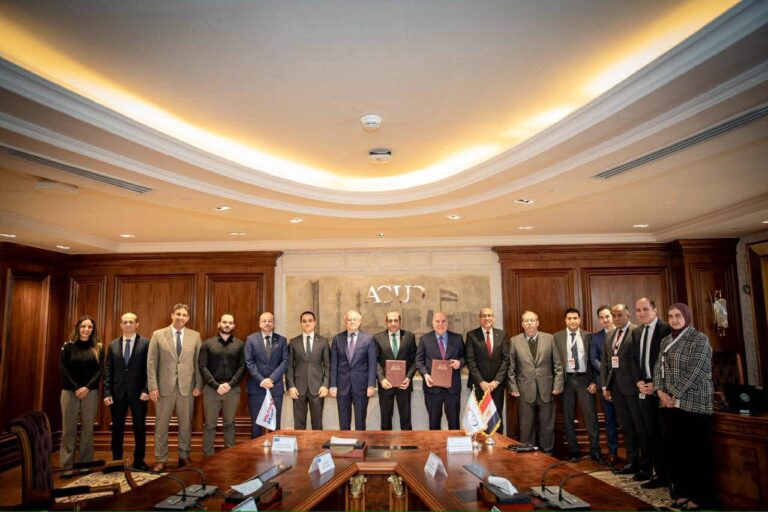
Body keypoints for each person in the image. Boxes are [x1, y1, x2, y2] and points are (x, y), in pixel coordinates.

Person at [654, 303, 713, 511]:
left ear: (686, 316)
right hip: (669, 405)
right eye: (670, 316)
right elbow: (658, 367)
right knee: (676, 452)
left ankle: (699, 496)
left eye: (678, 315)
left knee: (695, 453)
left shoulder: (700, 339)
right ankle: (682, 492)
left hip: (694, 404)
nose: (674, 319)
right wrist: (659, 391)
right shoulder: (666, 340)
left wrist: (672, 393)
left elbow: (696, 371)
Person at [147, 304, 202, 472]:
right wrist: (152, 387)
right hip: (163, 388)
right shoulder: (158, 335)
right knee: (161, 425)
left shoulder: (195, 336)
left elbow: (198, 362)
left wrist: (198, 384)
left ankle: (184, 456)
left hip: (187, 387)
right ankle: (160, 459)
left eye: (184, 315)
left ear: (188, 318)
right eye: (178, 314)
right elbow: (151, 362)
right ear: (172, 315)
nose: (181, 317)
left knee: (186, 424)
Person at [507, 310, 563, 454]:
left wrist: (558, 385)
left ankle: (547, 454)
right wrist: (513, 387)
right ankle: (527, 455)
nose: (530, 323)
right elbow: (511, 367)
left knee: (547, 426)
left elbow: (557, 365)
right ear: (522, 324)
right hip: (524, 390)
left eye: (532, 320)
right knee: (526, 427)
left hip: (547, 390)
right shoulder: (514, 341)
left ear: (537, 323)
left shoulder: (550, 339)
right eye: (526, 321)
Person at [630, 297, 672, 488]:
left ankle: (668, 476)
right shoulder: (637, 332)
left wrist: (657, 383)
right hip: (643, 388)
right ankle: (657, 474)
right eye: (638, 310)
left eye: (646, 309)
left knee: (665, 434)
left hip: (663, 389)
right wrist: (638, 381)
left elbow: (669, 361)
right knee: (650, 433)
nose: (642, 313)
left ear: (655, 310)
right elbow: (633, 360)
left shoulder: (666, 329)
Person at [554, 307, 603, 462]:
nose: (572, 321)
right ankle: (573, 450)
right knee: (568, 417)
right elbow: (554, 361)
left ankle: (595, 450)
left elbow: (594, 360)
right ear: (565, 320)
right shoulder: (557, 337)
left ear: (580, 319)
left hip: (585, 380)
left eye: (575, 318)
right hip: (566, 381)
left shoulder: (589, 336)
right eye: (569, 318)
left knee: (591, 416)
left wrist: (594, 381)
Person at [103, 312, 149, 471]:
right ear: (121, 325)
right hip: (117, 394)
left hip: (139, 394)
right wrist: (107, 392)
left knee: (140, 428)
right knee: (117, 429)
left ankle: (139, 461)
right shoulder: (113, 345)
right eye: (125, 322)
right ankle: (117, 461)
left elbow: (150, 369)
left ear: (137, 324)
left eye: (131, 322)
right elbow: (108, 370)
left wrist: (147, 389)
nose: (128, 324)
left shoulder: (145, 343)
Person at [600, 304, 643, 476]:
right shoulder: (610, 335)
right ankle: (631, 462)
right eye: (614, 315)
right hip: (616, 388)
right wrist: (605, 385)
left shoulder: (636, 331)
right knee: (625, 427)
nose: (616, 318)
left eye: (619, 315)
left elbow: (639, 360)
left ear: (628, 314)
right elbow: (605, 362)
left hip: (633, 388)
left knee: (638, 426)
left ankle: (644, 463)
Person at [59, 315, 104, 475]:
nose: (86, 329)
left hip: (90, 393)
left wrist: (87, 388)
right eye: (83, 326)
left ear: (93, 329)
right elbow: (63, 369)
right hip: (69, 392)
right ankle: (66, 467)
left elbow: (99, 371)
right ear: (78, 327)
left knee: (87, 430)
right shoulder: (68, 346)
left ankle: (85, 464)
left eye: (90, 327)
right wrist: (76, 388)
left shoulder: (98, 347)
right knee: (68, 429)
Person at [199, 313, 245, 456]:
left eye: (230, 323)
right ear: (219, 324)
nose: (227, 325)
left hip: (232, 390)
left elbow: (243, 367)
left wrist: (230, 384)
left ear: (233, 326)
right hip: (211, 390)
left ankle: (229, 456)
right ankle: (208, 456)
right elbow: (202, 366)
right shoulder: (207, 343)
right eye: (224, 322)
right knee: (210, 424)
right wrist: (216, 385)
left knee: (229, 423)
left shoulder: (240, 344)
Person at [415, 311, 465, 430]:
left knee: (454, 423)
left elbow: (464, 357)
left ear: (447, 322)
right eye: (437, 321)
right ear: (433, 323)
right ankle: (435, 443)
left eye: (443, 321)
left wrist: (459, 363)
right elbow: (419, 361)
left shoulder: (457, 338)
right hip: (433, 388)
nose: (440, 324)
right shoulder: (424, 339)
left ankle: (454, 442)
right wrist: (425, 375)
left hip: (452, 388)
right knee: (434, 424)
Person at [329, 310, 376, 430]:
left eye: (355, 319)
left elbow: (372, 364)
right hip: (342, 386)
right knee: (344, 421)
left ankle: (360, 441)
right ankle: (345, 441)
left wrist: (371, 385)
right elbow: (333, 364)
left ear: (360, 322)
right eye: (349, 319)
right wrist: (333, 385)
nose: (352, 322)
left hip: (361, 386)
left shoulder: (368, 339)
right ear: (345, 321)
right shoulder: (337, 339)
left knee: (360, 421)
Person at [465, 307, 510, 433]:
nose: (487, 318)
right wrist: (481, 382)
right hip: (479, 385)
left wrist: (496, 381)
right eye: (484, 316)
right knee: (479, 417)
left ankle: (498, 443)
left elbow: (506, 360)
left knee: (496, 416)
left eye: (489, 315)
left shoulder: (502, 335)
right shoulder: (472, 335)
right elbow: (470, 361)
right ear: (480, 318)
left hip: (497, 386)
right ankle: (480, 443)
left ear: (493, 318)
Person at [245, 312, 288, 436]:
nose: (267, 323)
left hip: (275, 387)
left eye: (270, 321)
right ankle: (256, 448)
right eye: (264, 321)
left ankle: (275, 447)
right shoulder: (251, 339)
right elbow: (249, 362)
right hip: (256, 388)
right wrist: (262, 380)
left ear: (274, 323)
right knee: (256, 424)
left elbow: (285, 362)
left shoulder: (282, 340)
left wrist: (271, 379)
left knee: (275, 423)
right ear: (259, 323)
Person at [373, 311, 417, 430]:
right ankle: (386, 442)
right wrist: (381, 379)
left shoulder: (409, 337)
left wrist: (409, 377)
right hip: (386, 385)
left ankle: (407, 441)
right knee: (385, 418)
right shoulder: (377, 338)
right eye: (390, 321)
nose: (393, 323)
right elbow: (375, 361)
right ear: (386, 322)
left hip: (404, 384)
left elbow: (415, 360)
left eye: (396, 320)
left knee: (406, 418)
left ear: (400, 322)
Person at [286, 311, 330, 430]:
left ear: (314, 322)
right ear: (301, 323)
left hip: (318, 388)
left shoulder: (323, 341)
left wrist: (325, 385)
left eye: (310, 321)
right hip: (298, 389)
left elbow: (327, 365)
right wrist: (291, 386)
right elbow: (289, 366)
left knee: (317, 424)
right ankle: (300, 442)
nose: (307, 323)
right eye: (304, 321)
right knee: (299, 425)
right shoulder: (293, 342)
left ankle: (317, 443)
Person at [590, 305, 619, 464]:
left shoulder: (623, 333)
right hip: (605, 384)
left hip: (624, 384)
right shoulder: (595, 337)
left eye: (607, 316)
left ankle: (634, 454)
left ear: (612, 316)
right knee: (609, 420)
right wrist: (608, 370)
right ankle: (613, 452)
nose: (605, 319)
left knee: (629, 421)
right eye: (601, 317)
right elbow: (593, 359)